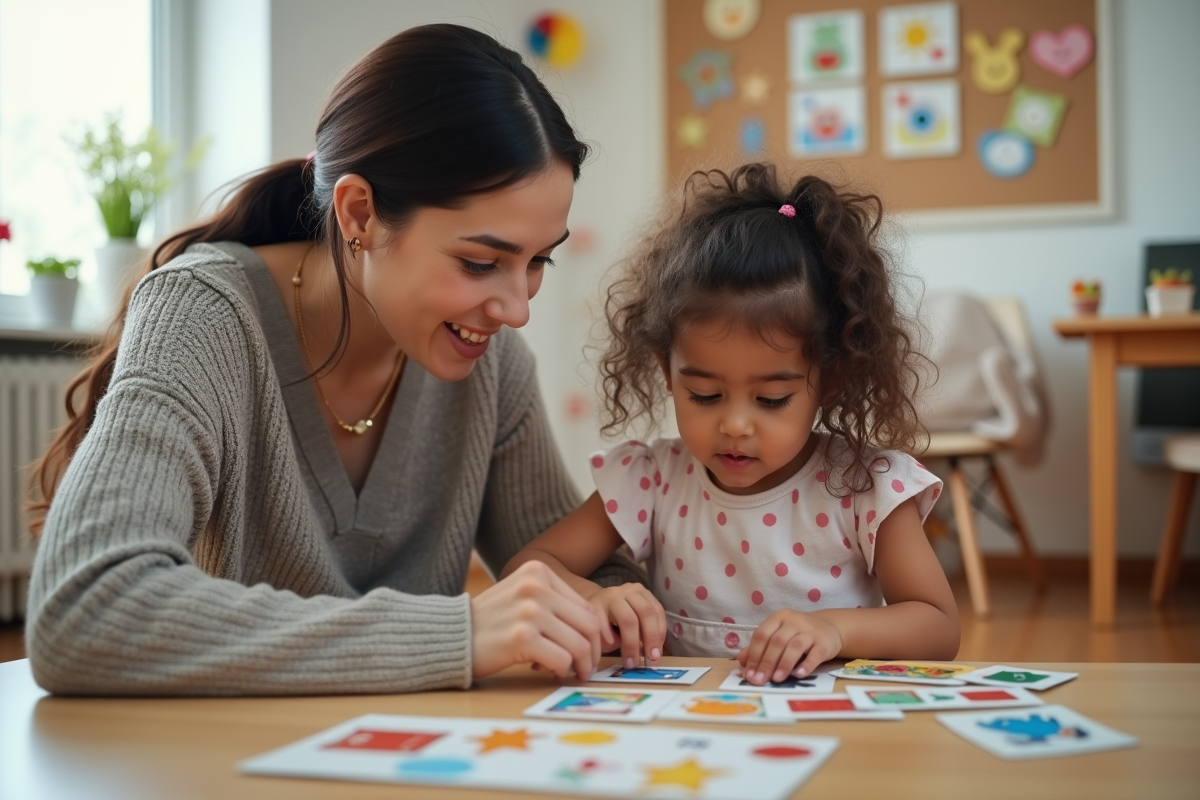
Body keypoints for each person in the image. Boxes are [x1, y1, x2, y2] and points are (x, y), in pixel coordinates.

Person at [25, 24, 645, 696]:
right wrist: (454, 636)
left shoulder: (493, 366)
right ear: (359, 214)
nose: (517, 307)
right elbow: (84, 608)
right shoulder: (203, 314)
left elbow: (574, 567)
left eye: (537, 261)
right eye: (480, 262)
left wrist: (608, 605)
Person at [502, 163, 960, 686]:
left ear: (829, 382)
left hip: (824, 732)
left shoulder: (866, 488)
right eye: (706, 395)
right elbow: (530, 567)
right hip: (693, 732)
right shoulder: (651, 478)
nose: (736, 425)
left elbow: (939, 626)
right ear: (667, 374)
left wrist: (834, 630)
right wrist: (598, 598)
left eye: (771, 399)